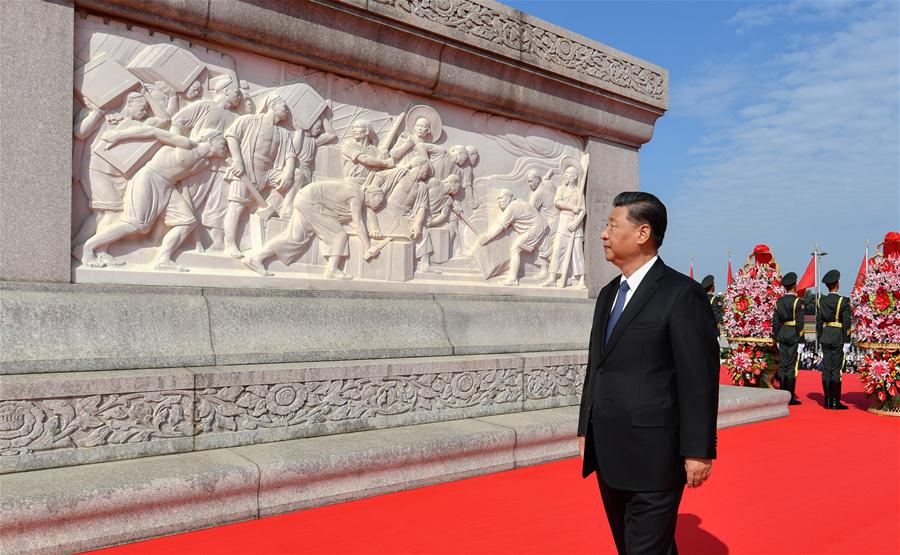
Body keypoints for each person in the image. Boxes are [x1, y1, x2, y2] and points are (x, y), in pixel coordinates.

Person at [577, 191, 719, 555]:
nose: (603, 234)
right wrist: (585, 429)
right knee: (632, 547)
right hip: (609, 452)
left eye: (612, 224)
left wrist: (699, 450)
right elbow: (598, 366)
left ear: (643, 233)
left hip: (654, 456)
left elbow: (698, 378)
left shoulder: (681, 294)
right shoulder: (609, 294)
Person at [81, 128, 229, 271]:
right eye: (223, 143)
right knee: (135, 224)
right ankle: (88, 247)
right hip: (150, 178)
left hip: (168, 186)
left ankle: (163, 260)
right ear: (211, 141)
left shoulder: (204, 163)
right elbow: (153, 132)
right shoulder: (187, 144)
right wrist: (119, 135)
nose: (225, 149)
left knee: (186, 222)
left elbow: (184, 184)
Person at [478, 188, 548, 286]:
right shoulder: (518, 203)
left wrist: (487, 237)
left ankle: (513, 279)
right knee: (536, 246)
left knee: (515, 248)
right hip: (542, 226)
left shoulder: (512, 207)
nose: (499, 201)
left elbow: (500, 226)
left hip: (536, 227)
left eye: (501, 198)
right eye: (498, 199)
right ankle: (544, 271)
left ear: (509, 198)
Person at [816, 270, 851, 410]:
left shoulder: (821, 301)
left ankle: (827, 400)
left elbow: (818, 323)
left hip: (826, 336)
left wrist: (820, 338)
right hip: (838, 337)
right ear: (837, 284)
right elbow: (847, 322)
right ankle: (835, 402)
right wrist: (847, 340)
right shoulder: (843, 301)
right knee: (836, 371)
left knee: (826, 370)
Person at [772, 272, 805, 405]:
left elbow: (775, 322)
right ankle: (789, 397)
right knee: (791, 366)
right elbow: (800, 323)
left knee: (783, 365)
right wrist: (801, 339)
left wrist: (777, 337)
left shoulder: (778, 302)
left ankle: (782, 394)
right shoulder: (798, 302)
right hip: (793, 334)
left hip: (782, 333)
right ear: (795, 285)